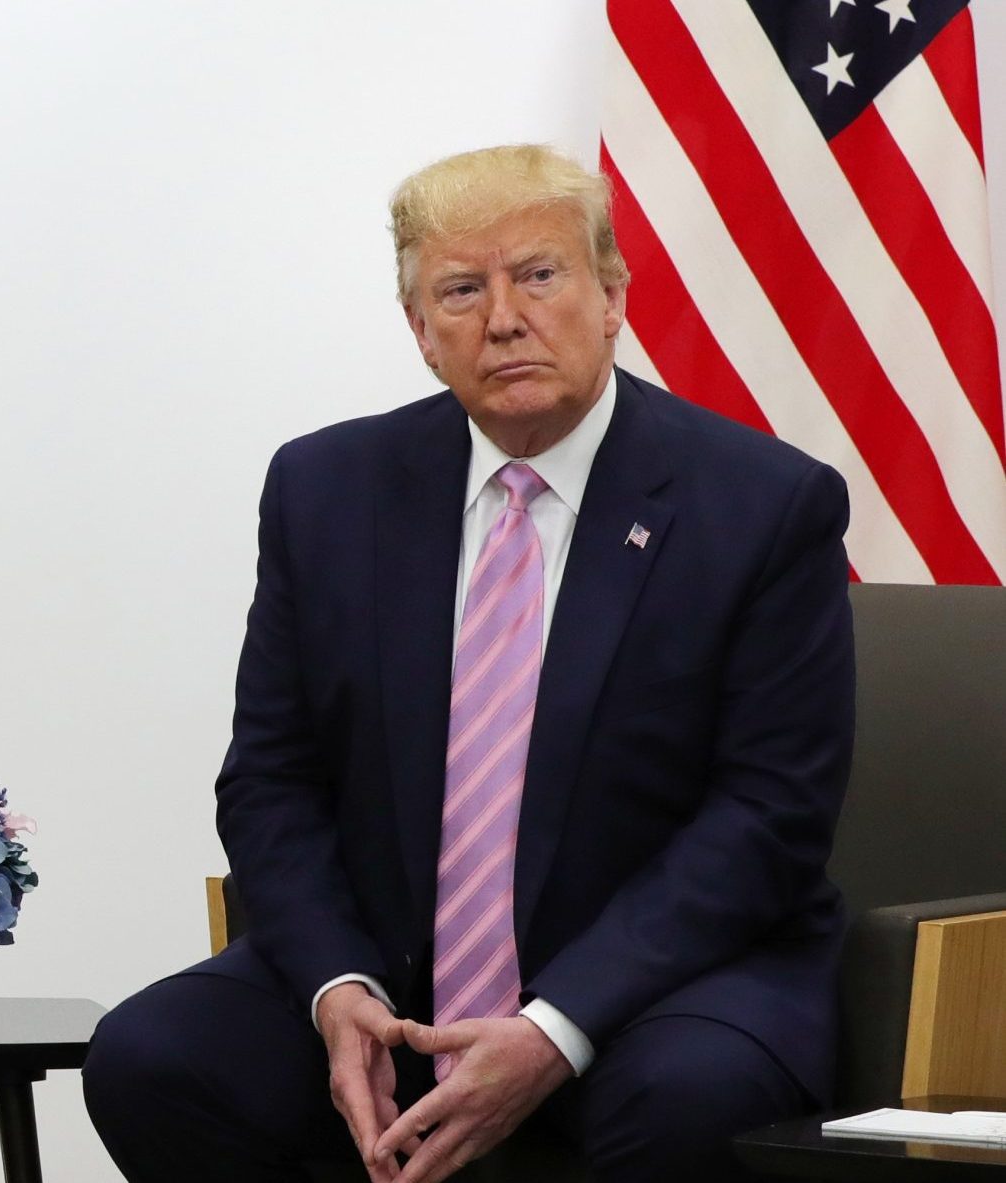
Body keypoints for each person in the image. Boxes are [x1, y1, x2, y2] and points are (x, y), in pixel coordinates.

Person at [83, 144, 853, 1182]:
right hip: (395, 983)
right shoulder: (326, 491)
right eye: (461, 290)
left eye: (539, 275)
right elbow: (271, 776)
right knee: (154, 1059)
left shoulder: (765, 506)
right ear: (420, 332)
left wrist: (555, 1024)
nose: (503, 318)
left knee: (686, 1102)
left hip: (660, 988)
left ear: (614, 294)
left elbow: (770, 813)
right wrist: (336, 987)